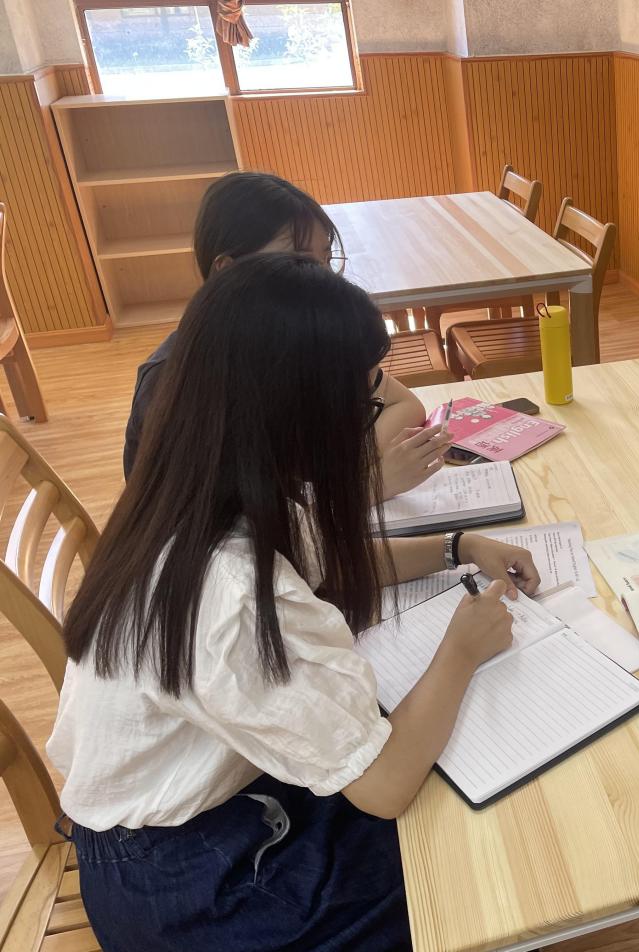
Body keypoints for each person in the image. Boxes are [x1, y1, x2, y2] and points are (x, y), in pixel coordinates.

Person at [49, 253, 541, 951]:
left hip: (196, 812)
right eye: (363, 404)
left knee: (458, 814)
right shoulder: (229, 593)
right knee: (475, 877)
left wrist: (456, 546)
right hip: (182, 880)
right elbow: (383, 787)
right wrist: (460, 651)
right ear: (298, 414)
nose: (370, 423)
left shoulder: (202, 490)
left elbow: (320, 563)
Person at [122, 171, 446, 499]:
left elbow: (403, 403)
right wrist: (367, 486)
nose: (324, 279)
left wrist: (349, 471)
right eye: (300, 262)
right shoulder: (177, 383)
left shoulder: (307, 338)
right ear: (228, 271)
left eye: (326, 259)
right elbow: (228, 520)